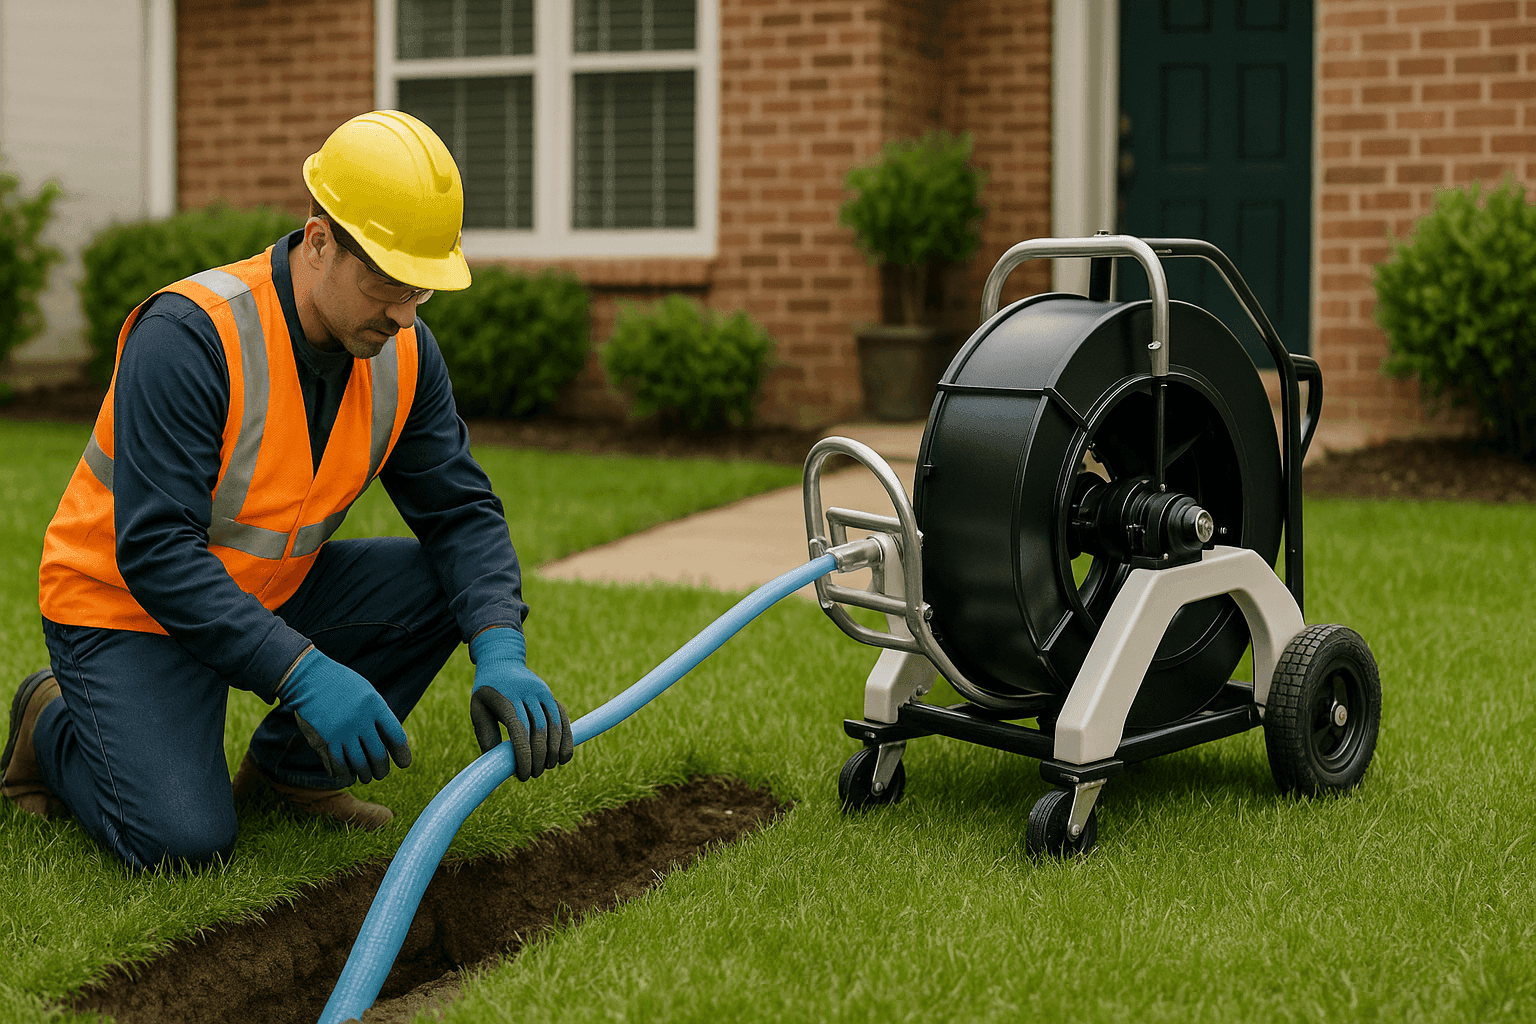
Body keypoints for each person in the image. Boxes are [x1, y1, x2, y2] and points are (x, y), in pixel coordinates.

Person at [0, 111, 574, 871]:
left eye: (422, 292)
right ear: (319, 241)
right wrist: (304, 673)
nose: (405, 315)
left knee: (448, 582)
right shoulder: (191, 336)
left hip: (267, 591)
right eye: (388, 283)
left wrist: (501, 648)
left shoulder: (403, 352)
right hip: (125, 608)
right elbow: (156, 550)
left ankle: (290, 775)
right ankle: (50, 722)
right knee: (182, 844)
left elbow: (461, 513)